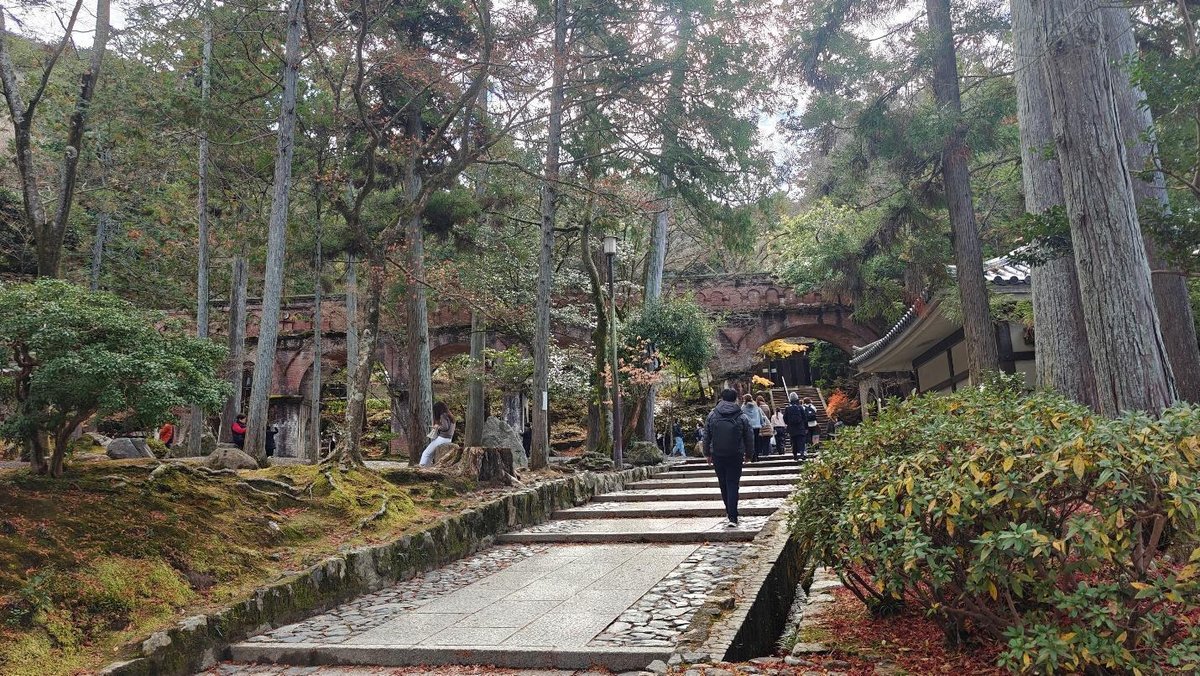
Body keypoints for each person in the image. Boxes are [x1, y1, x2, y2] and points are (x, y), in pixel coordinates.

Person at [704, 388, 754, 527]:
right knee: (733, 483)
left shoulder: (712, 414)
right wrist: (749, 454)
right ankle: (733, 516)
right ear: (735, 399)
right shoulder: (741, 415)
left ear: (722, 398)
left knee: (723, 483)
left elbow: (706, 435)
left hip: (717, 454)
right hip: (735, 454)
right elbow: (749, 436)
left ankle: (729, 511)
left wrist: (707, 453)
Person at [420, 401, 456, 466]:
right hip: (449, 439)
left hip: (442, 438)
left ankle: (421, 467)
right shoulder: (451, 416)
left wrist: (437, 427)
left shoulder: (443, 415)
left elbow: (445, 427)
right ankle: (426, 469)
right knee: (431, 454)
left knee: (426, 453)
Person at [783, 393, 809, 461]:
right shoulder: (800, 407)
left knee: (793, 442)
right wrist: (806, 427)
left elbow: (785, 418)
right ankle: (802, 453)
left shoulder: (787, 408)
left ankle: (795, 455)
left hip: (792, 428)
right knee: (801, 441)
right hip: (800, 427)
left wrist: (789, 424)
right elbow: (804, 418)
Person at [741, 394, 767, 462]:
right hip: (757, 426)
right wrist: (762, 423)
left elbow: (741, 417)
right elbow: (760, 415)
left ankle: (751, 456)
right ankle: (757, 456)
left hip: (748, 426)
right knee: (756, 441)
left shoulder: (743, 407)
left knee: (749, 441)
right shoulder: (756, 406)